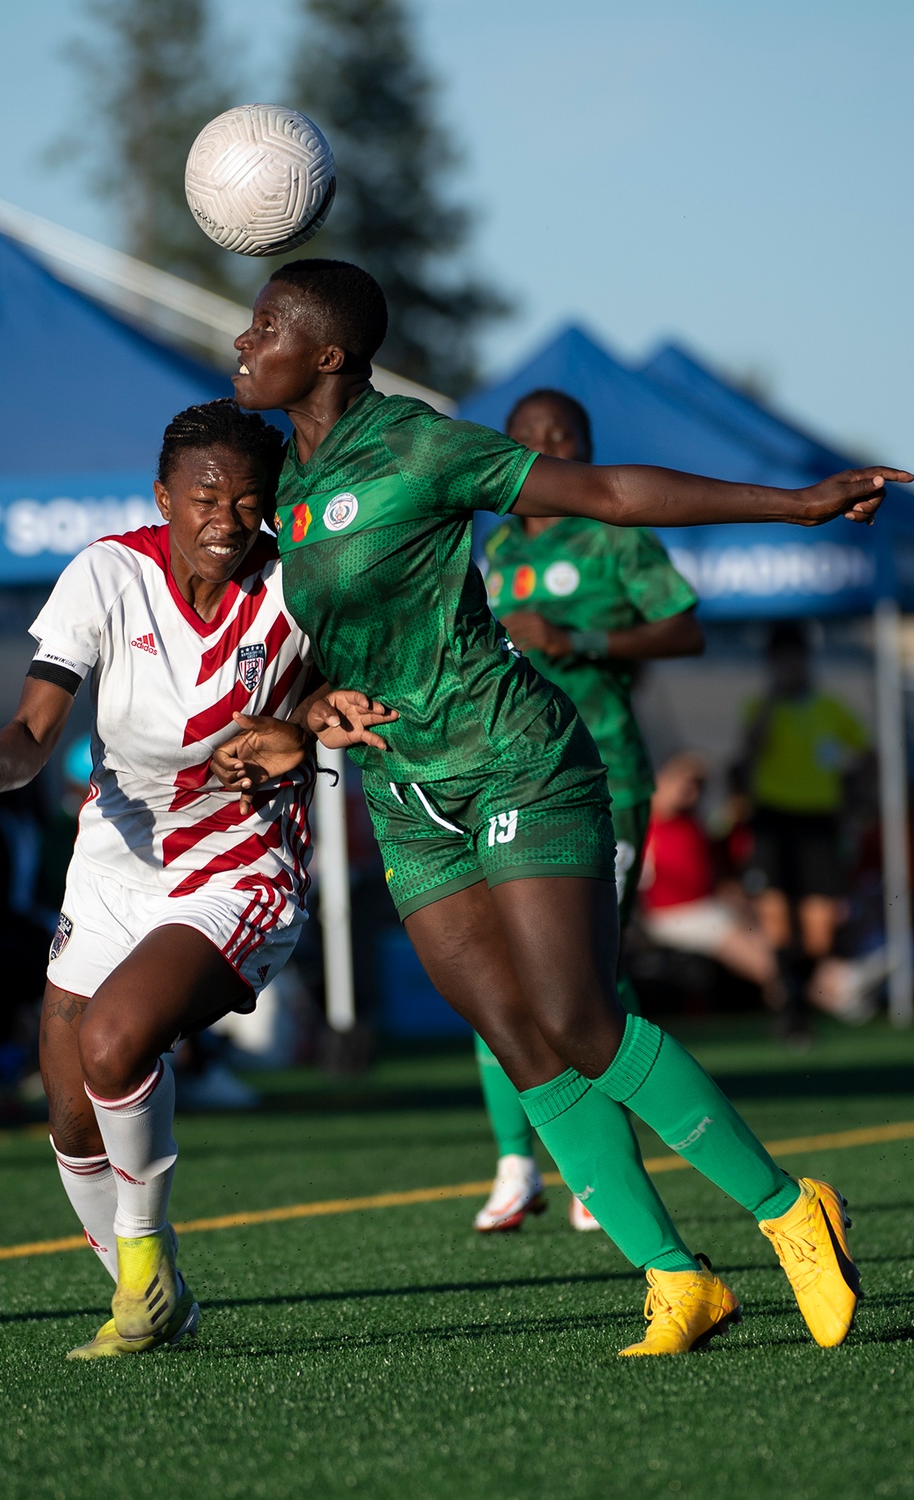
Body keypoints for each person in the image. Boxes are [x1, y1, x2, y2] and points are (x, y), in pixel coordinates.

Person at [219, 257, 907, 1355]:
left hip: (515, 761)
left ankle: (791, 1212)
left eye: (264, 327)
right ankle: (677, 1279)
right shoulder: (285, 490)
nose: (242, 343)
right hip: (405, 795)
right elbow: (317, 650)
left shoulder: (415, 444)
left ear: (330, 353)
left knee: (581, 1017)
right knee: (517, 1038)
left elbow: (609, 495)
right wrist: (301, 714)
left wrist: (795, 503)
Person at [0, 399, 395, 1360]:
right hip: (113, 863)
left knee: (116, 1039)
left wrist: (300, 734)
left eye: (248, 498)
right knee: (67, 1107)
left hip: (239, 865)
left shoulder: (303, 583)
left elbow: (345, 705)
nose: (225, 516)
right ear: (163, 497)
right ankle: (150, 1291)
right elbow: (36, 730)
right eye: (204, 495)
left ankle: (142, 1281)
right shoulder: (106, 570)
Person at [472, 389, 703, 1235]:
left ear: (588, 445)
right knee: (497, 969)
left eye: (567, 436)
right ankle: (514, 1163)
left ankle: (601, 1165)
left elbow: (685, 630)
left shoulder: (612, 534)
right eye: (536, 440)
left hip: (603, 776)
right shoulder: (493, 544)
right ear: (514, 452)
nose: (553, 448)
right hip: (506, 778)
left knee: (583, 974)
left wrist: (579, 642)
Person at [739, 621, 870, 1039]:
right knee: (776, 917)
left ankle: (798, 999)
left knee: (819, 928)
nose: (790, 667)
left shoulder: (830, 708)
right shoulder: (760, 706)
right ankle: (791, 1015)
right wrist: (773, 704)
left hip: (818, 822)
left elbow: (866, 753)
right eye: (781, 660)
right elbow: (749, 752)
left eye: (796, 658)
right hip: (774, 820)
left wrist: (859, 800)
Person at [640, 751, 784, 1002]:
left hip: (707, 907)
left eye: (697, 787)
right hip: (675, 914)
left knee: (766, 932)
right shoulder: (649, 821)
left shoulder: (691, 824)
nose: (690, 793)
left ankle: (790, 991)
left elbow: (716, 866)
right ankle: (786, 998)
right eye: (685, 785)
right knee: (747, 947)